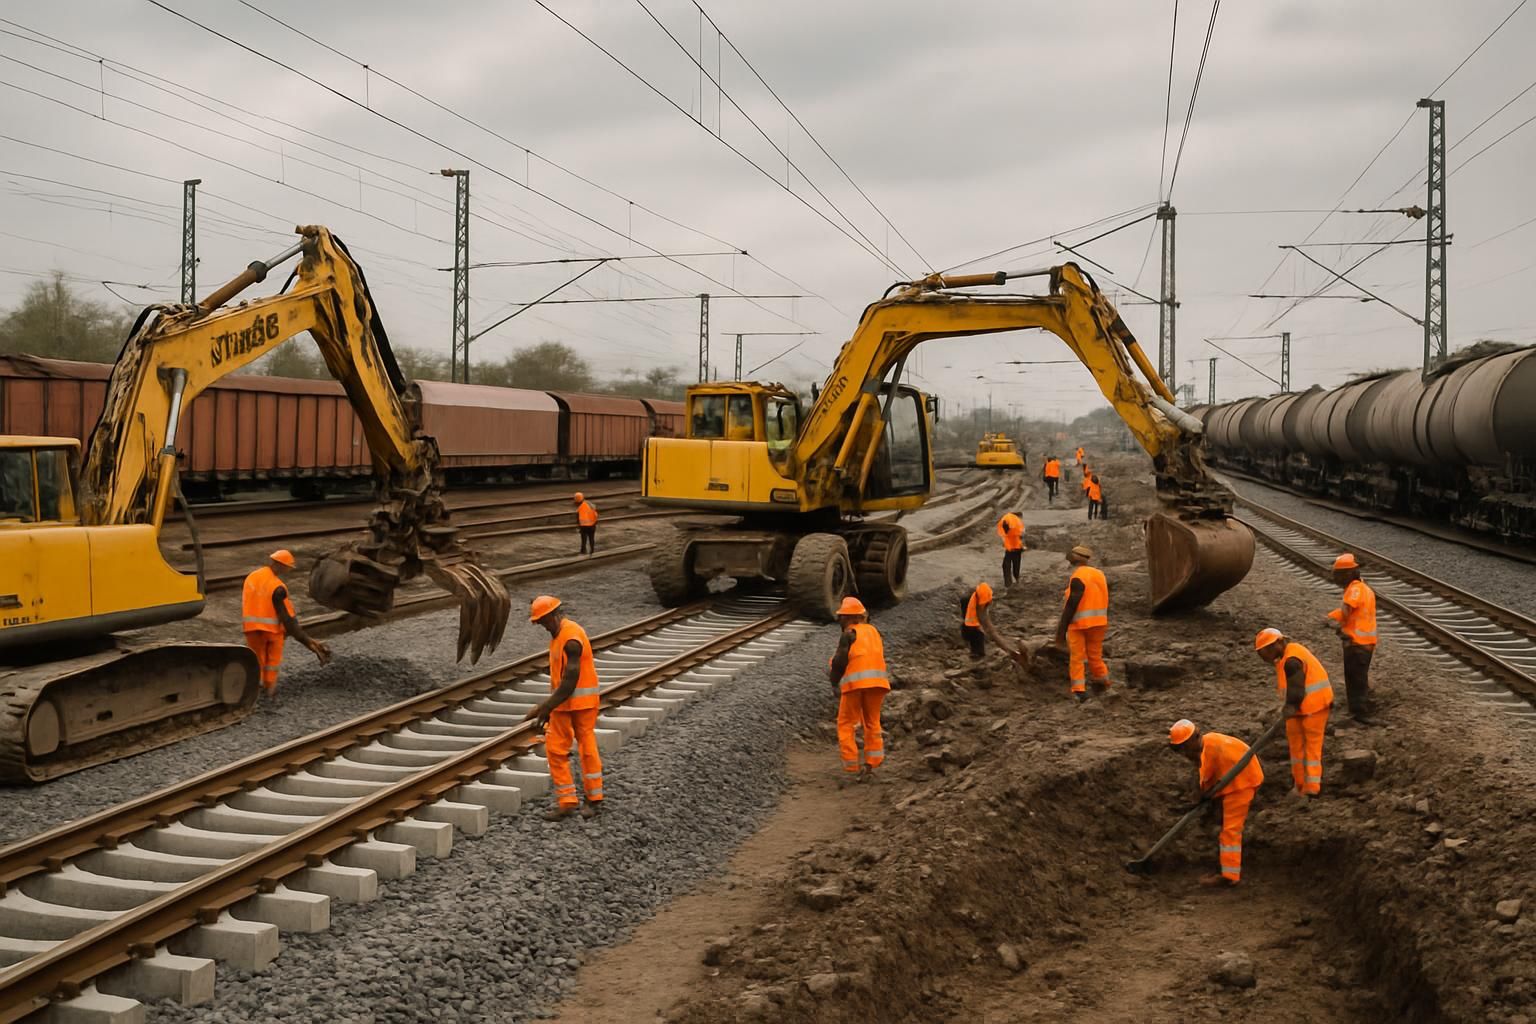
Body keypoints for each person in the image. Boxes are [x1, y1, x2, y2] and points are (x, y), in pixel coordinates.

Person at [525, 595, 605, 820]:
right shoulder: (557, 635)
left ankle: (594, 799)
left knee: (586, 748)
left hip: (582, 703)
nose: (542, 625)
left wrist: (545, 707)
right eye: (539, 622)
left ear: (554, 614)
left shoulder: (571, 638)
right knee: (555, 749)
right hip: (562, 703)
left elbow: (570, 680)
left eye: (543, 620)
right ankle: (567, 801)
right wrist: (549, 707)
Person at [1169, 719, 1264, 887]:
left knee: (1230, 830)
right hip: (1235, 778)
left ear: (1193, 740)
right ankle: (1223, 865)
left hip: (1242, 783)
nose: (1183, 754)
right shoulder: (1208, 743)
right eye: (1179, 750)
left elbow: (1205, 785)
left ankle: (1229, 875)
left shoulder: (1209, 752)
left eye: (1184, 748)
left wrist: (1199, 800)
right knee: (1223, 824)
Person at [1254, 628, 1333, 797]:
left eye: (1264, 652)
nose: (1264, 657)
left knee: (1311, 747)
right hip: (1298, 708)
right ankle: (1299, 785)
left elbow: (1297, 689)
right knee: (1296, 747)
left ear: (1277, 644)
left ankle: (1312, 789)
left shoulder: (1292, 660)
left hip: (1315, 707)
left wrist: (1289, 707)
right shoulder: (1284, 657)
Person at [241, 549, 331, 696]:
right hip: (271, 631)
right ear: (281, 565)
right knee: (272, 662)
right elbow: (288, 620)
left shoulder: (252, 576)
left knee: (257, 661)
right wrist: (309, 643)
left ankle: (254, 691)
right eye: (288, 567)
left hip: (251, 628)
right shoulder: (278, 587)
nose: (289, 570)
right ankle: (269, 690)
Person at [827, 597, 889, 781]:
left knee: (846, 723)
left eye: (842, 617)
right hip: (878, 684)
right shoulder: (874, 632)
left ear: (847, 618)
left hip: (855, 684)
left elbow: (840, 661)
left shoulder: (849, 634)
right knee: (872, 722)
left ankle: (851, 766)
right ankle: (872, 763)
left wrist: (833, 681)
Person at [1052, 545, 1110, 701]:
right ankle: (1103, 681)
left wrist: (1060, 632)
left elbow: (1072, 605)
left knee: (1077, 657)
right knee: (1095, 656)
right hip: (1099, 622)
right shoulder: (1099, 574)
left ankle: (1079, 690)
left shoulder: (1078, 577)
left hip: (1079, 624)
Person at [1327, 553, 1378, 722]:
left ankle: (1360, 713)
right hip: (1365, 642)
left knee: (1355, 677)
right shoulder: (1364, 588)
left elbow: (1347, 610)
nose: (1335, 579)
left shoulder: (1354, 589)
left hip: (1356, 642)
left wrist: (1336, 625)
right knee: (1358, 676)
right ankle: (1360, 707)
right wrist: (1332, 616)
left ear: (1347, 574)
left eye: (1337, 575)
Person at [960, 581, 1030, 665]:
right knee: (977, 631)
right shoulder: (972, 603)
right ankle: (977, 655)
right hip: (969, 608)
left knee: (981, 629)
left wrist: (1010, 651)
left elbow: (988, 626)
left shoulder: (984, 597)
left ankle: (976, 651)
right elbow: (985, 625)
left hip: (973, 602)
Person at [996, 510, 1026, 586]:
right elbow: (1021, 534)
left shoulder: (1006, 518)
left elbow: (1003, 532)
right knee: (1016, 563)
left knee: (1006, 564)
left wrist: (1004, 540)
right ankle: (1017, 579)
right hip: (1017, 546)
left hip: (1011, 546)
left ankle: (1008, 584)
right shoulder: (1018, 521)